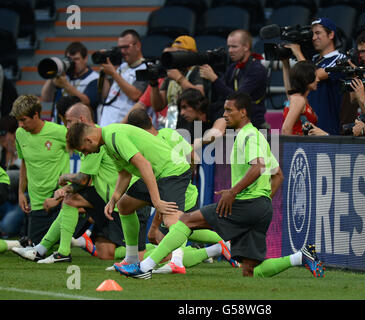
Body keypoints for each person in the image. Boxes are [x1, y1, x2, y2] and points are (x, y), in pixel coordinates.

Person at [114, 92, 324, 280]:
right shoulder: (256, 136)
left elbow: (259, 166)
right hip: (259, 208)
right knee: (251, 270)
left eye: (229, 110)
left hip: (246, 203)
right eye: (223, 109)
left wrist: (234, 192)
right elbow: (278, 175)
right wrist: (263, 202)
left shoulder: (247, 136)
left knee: (186, 221)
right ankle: (300, 257)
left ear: (243, 112)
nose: (224, 114)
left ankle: (144, 267)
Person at [66, 121, 230, 269]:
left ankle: (165, 264)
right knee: (124, 205)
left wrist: (156, 200)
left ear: (89, 140)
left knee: (172, 221)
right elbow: (124, 174)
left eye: (84, 151)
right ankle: (132, 259)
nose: (86, 154)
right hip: (159, 174)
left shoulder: (114, 136)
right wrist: (114, 199)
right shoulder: (108, 142)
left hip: (171, 172)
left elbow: (144, 165)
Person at [12, 103, 151, 263]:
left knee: (129, 254)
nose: (67, 126)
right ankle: (54, 250)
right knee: (72, 202)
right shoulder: (90, 138)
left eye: (70, 122)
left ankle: (166, 253)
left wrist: (64, 181)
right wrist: (64, 191)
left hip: (126, 199)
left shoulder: (94, 140)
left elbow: (84, 179)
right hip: (109, 198)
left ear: (82, 119)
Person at [9, 95, 70, 245]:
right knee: (37, 247)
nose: (20, 124)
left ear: (36, 115)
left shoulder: (59, 132)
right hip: (37, 202)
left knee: (53, 244)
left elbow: (84, 151)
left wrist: (64, 192)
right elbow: (25, 162)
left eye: (23, 120)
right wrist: (21, 192)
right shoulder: (20, 134)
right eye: (18, 120)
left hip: (59, 198)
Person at [199, 29, 269, 129]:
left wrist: (214, 78)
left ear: (246, 47)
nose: (230, 50)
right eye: (229, 46)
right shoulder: (233, 67)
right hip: (232, 118)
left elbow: (238, 99)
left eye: (234, 46)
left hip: (251, 121)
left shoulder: (257, 69)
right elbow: (222, 94)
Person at [290, 17, 347, 135]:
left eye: (318, 33)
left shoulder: (340, 59)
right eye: (312, 34)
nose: (313, 37)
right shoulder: (313, 60)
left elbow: (312, 75)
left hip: (327, 125)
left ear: (331, 34)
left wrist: (297, 52)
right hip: (307, 124)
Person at [150, 36, 209, 130]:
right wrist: (154, 84)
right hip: (172, 127)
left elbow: (200, 95)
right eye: (174, 54)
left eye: (179, 53)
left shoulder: (198, 71)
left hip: (193, 129)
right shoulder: (171, 73)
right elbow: (158, 106)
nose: (176, 57)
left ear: (192, 54)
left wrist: (180, 79)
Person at [98, 29, 149, 127]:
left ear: (138, 45)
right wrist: (103, 74)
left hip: (123, 126)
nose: (122, 51)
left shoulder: (145, 67)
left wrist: (113, 74)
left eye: (126, 47)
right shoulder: (122, 66)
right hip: (106, 121)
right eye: (120, 48)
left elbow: (136, 95)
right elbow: (105, 95)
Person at [40, 42, 101, 122]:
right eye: (69, 59)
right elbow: (45, 98)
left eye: (76, 59)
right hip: (58, 126)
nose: (73, 63)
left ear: (85, 59)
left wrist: (65, 85)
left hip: (80, 127)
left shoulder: (94, 78)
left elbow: (86, 101)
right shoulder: (63, 76)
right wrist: (54, 72)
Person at [280, 59, 319, 135]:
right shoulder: (299, 100)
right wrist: (291, 146)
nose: (318, 80)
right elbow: (286, 129)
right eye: (315, 76)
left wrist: (285, 63)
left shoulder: (298, 98)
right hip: (297, 146)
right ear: (307, 77)